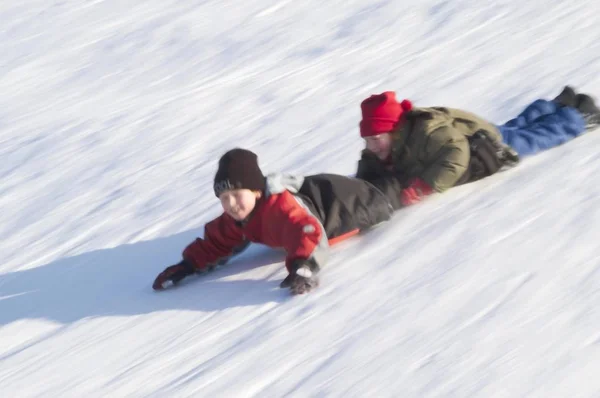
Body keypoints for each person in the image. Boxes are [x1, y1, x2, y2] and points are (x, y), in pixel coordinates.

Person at [153, 148, 393, 295]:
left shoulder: (281, 208)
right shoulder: (239, 216)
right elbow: (216, 243)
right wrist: (187, 266)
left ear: (257, 192)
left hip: (350, 203)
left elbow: (307, 230)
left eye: (237, 195)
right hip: (324, 196)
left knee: (391, 196)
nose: (231, 204)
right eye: (224, 198)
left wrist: (303, 266)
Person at [355, 86, 600, 209]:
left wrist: (425, 185)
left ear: (394, 131)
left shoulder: (425, 133)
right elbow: (370, 159)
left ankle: (579, 117)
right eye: (368, 139)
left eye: (376, 139)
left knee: (531, 138)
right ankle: (556, 106)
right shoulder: (387, 142)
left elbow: (456, 154)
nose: (371, 146)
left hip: (484, 147)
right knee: (516, 127)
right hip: (474, 132)